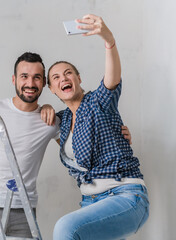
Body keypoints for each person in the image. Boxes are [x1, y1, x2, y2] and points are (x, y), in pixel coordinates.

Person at [0, 52, 132, 239]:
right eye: (24, 76)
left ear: (44, 84)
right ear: (14, 79)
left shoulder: (51, 121)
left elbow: (80, 148)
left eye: (37, 78)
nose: (30, 83)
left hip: (23, 210)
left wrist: (114, 135)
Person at [46, 14, 149, 239]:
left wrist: (108, 40)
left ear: (78, 78)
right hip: (90, 202)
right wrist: (44, 107)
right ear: (53, 89)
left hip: (125, 196)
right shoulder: (62, 122)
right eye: (55, 77)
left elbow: (111, 80)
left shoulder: (98, 102)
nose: (63, 78)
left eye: (68, 73)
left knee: (65, 228)